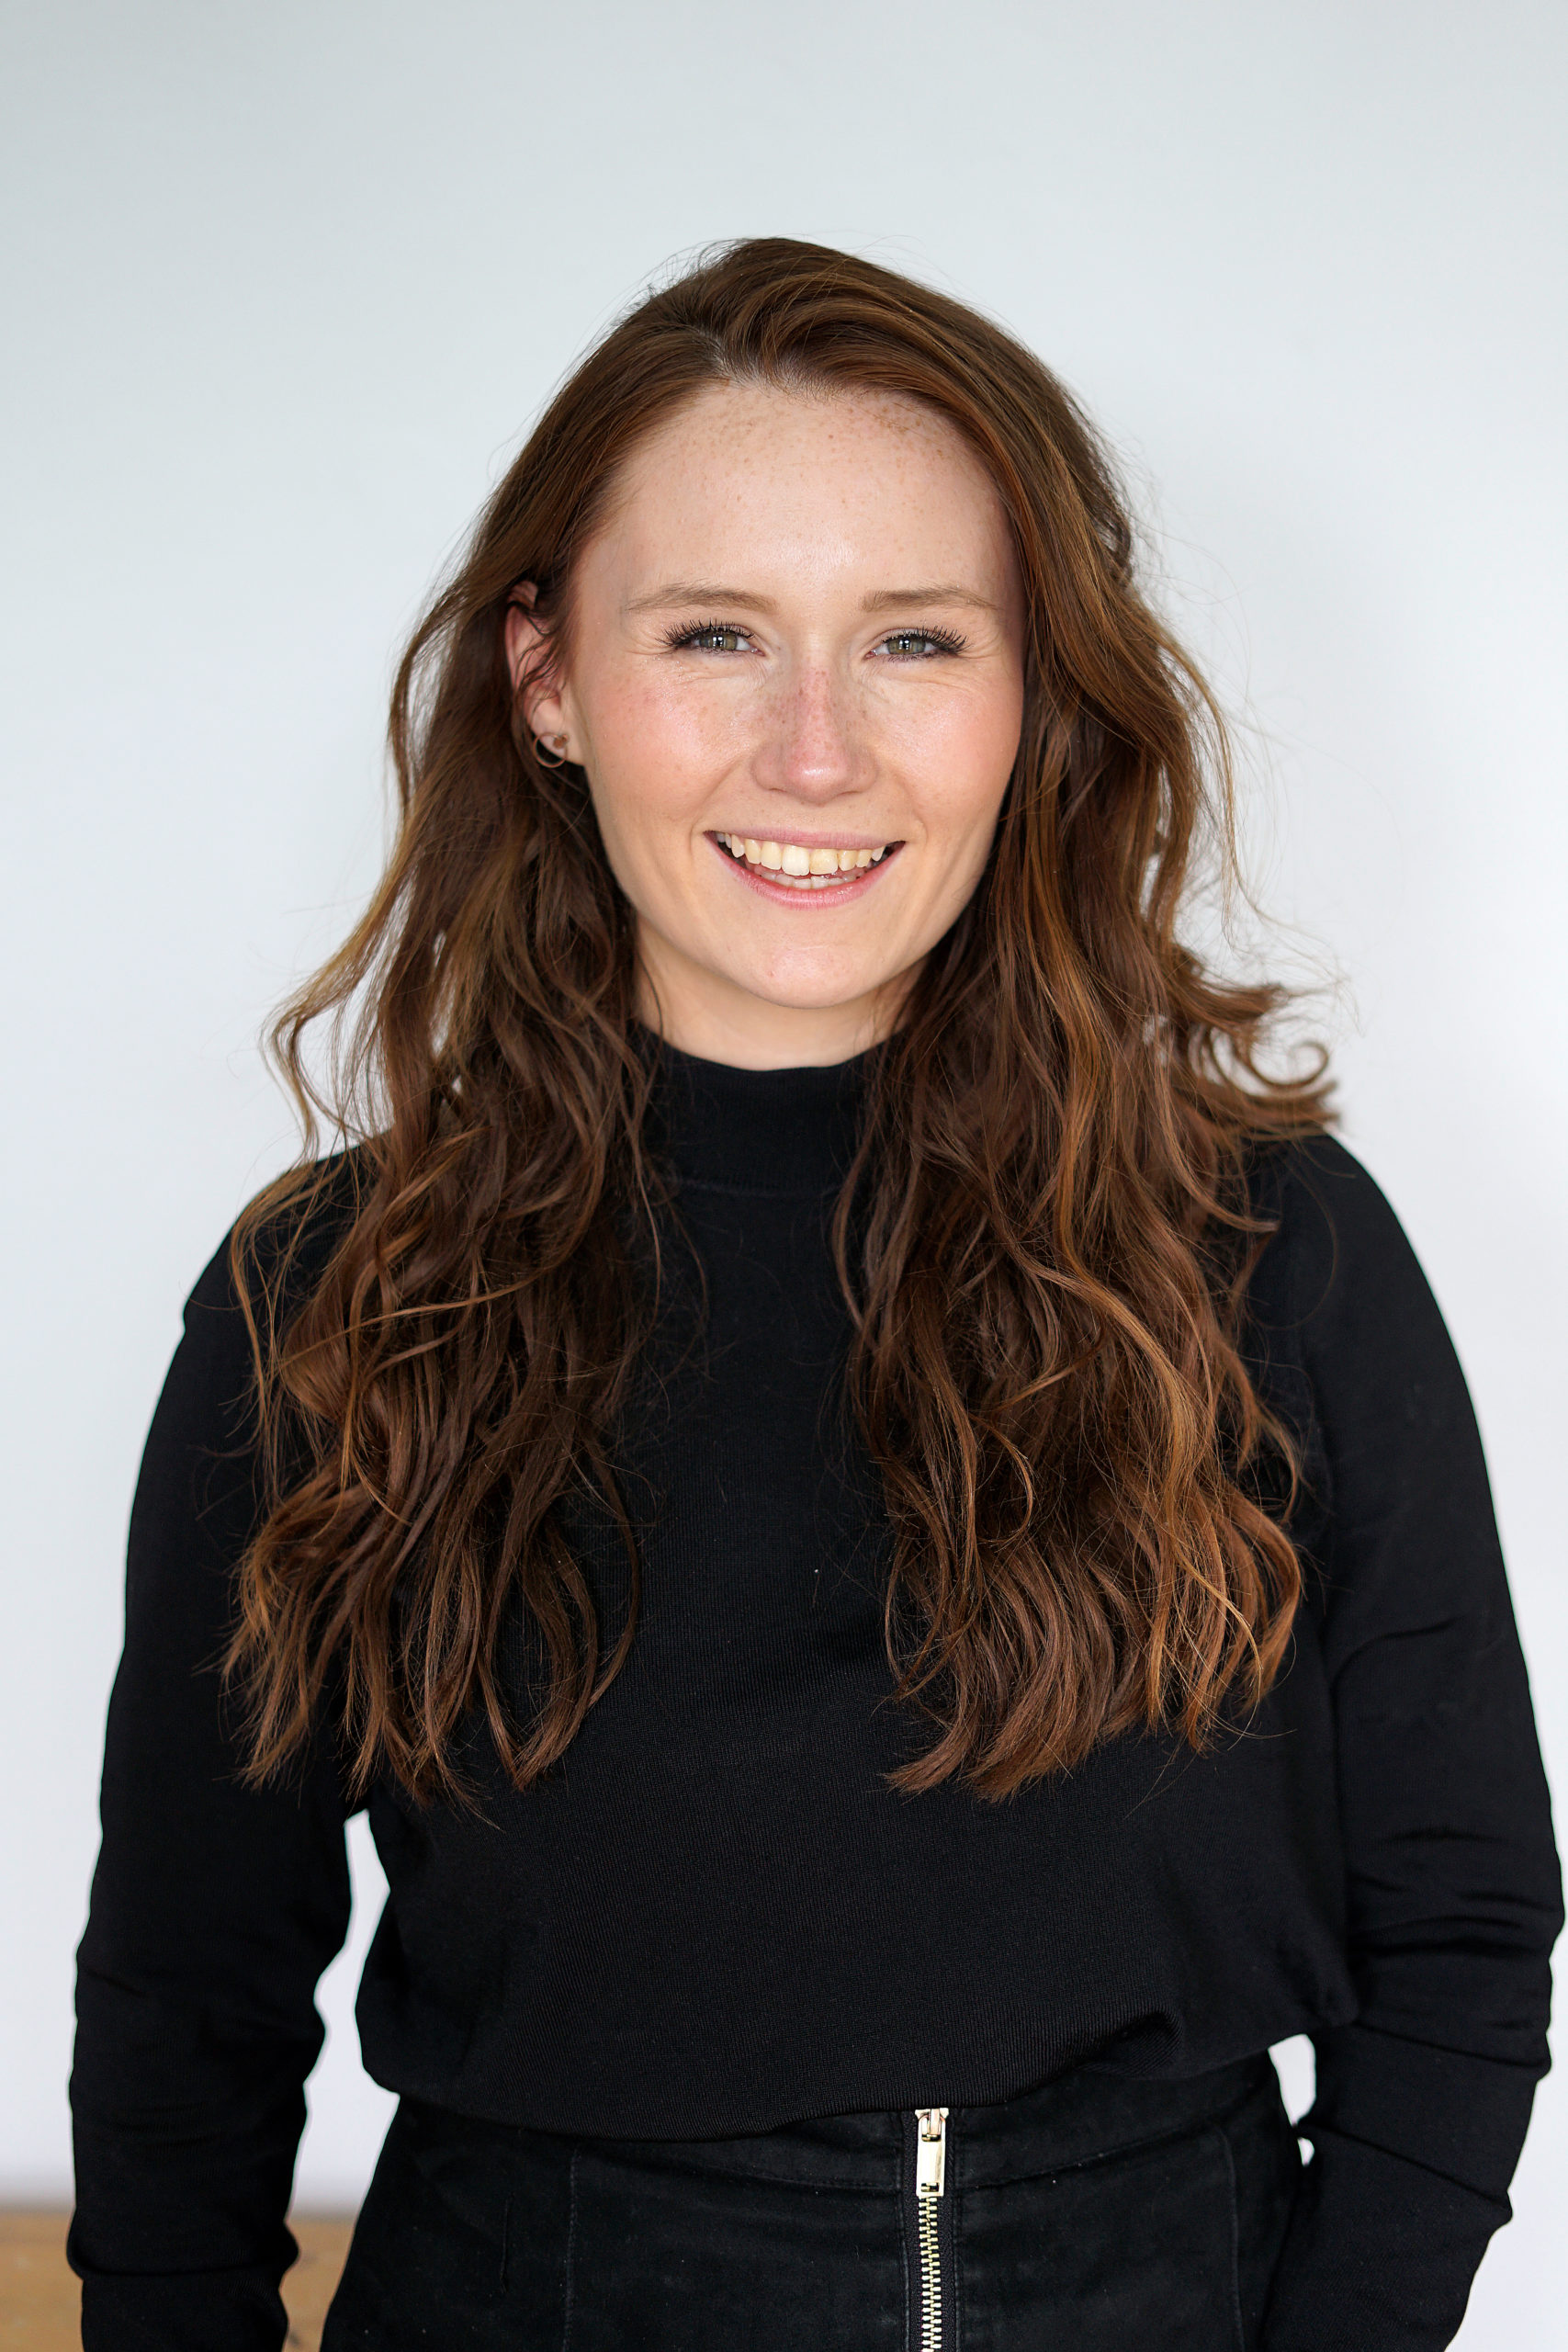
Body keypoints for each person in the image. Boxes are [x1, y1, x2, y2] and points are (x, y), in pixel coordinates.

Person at [68, 238, 1560, 2352]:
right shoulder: (331, 1300)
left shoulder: (1267, 1244)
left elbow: (1463, 1923)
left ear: (1032, 696)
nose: (812, 751)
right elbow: (185, 2012)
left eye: (912, 640)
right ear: (545, 676)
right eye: (713, 634)